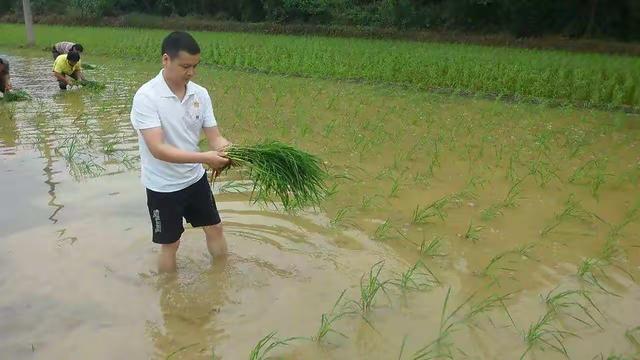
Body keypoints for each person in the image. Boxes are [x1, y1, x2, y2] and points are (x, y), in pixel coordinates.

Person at [130, 31, 232, 273]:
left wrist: (229, 150)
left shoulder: (200, 94)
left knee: (215, 228)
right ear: (166, 60)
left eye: (195, 66)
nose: (191, 72)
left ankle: (222, 277)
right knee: (171, 244)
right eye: (185, 66)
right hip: (163, 186)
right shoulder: (147, 97)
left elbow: (215, 137)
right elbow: (158, 149)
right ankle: (168, 296)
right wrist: (206, 158)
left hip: (195, 179)